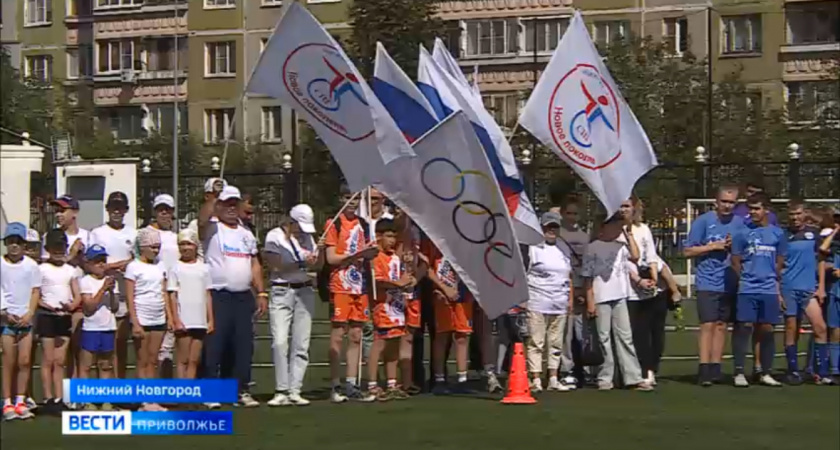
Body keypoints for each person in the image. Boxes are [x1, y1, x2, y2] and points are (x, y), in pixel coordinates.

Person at [198, 185, 266, 408]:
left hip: (242, 296)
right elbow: (201, 220)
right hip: (218, 295)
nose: (230, 208)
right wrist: (214, 197)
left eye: (234, 204)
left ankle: (239, 390)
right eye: (226, 204)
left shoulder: (246, 233)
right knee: (215, 345)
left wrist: (261, 291)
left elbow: (254, 263)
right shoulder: (212, 228)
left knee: (242, 345)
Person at [582, 213, 653, 392]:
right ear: (604, 227)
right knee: (604, 338)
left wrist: (628, 235)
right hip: (601, 297)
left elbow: (636, 256)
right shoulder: (592, 248)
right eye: (614, 226)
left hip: (620, 295)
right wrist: (590, 301)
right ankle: (605, 378)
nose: (617, 229)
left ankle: (633, 377)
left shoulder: (621, 246)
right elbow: (588, 278)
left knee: (625, 336)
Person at [684, 185, 745, 386]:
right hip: (707, 280)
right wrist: (712, 246)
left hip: (729, 280)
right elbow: (687, 251)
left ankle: (716, 367)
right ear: (716, 202)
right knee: (707, 324)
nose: (727, 206)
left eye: (731, 202)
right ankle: (704, 367)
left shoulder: (739, 223)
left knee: (722, 325)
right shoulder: (704, 221)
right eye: (724, 202)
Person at [264, 205, 324, 407]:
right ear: (291, 221)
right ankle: (281, 389)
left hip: (305, 290)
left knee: (301, 343)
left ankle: (295, 389)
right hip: (282, 290)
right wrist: (302, 263)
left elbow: (317, 265)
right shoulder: (274, 236)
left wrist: (319, 255)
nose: (303, 231)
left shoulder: (308, 238)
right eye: (300, 226)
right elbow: (275, 264)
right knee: (280, 342)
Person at [323, 186, 379, 403]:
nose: (352, 202)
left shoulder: (363, 224)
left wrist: (369, 253)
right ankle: (335, 383)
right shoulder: (334, 223)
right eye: (348, 198)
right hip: (340, 285)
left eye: (356, 198)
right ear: (340, 199)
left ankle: (352, 383)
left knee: (357, 334)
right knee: (338, 334)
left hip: (359, 285)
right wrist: (358, 253)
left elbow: (369, 252)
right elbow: (331, 258)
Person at [730, 193, 786, 388]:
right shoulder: (741, 233)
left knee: (767, 329)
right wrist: (745, 277)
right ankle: (738, 371)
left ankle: (765, 372)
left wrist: (771, 275)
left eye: (757, 208)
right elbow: (735, 260)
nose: (753, 212)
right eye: (750, 208)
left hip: (769, 289)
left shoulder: (777, 233)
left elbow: (780, 260)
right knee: (744, 326)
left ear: (766, 210)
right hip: (747, 288)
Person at [780, 200, 832, 385]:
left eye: (799, 214)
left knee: (820, 327)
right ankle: (793, 370)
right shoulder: (783, 235)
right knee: (792, 329)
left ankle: (822, 372)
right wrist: (778, 292)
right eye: (792, 215)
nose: (795, 218)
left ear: (805, 214)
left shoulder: (814, 234)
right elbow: (778, 265)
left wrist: (821, 287)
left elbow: (821, 260)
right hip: (789, 288)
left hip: (809, 288)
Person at [524, 212, 574, 392]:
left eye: (554, 227)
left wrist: (569, 299)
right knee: (536, 341)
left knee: (556, 342)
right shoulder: (533, 248)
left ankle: (553, 377)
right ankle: (535, 378)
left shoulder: (563, 248)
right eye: (548, 227)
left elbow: (568, 276)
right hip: (537, 300)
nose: (551, 230)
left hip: (559, 302)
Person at [89, 192, 136, 379]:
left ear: (126, 210)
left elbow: (138, 262)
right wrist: (117, 265)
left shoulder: (133, 233)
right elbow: (92, 265)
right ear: (107, 209)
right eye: (113, 207)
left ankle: (121, 385)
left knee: (122, 344)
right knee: (105, 347)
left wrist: (127, 265)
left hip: (124, 294)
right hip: (104, 295)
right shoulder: (97, 233)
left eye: (121, 207)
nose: (117, 211)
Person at [367, 218, 415, 401]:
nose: (392, 241)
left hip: (397, 306)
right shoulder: (376, 258)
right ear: (378, 237)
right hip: (383, 306)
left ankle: (392, 383)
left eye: (394, 237)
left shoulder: (395, 257)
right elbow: (378, 282)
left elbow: (401, 276)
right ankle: (372, 384)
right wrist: (398, 283)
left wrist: (407, 279)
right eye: (388, 236)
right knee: (379, 345)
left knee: (394, 344)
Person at [620, 197, 666, 386]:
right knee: (634, 333)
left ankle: (650, 370)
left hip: (647, 287)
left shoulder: (643, 229)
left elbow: (651, 255)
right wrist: (637, 279)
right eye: (621, 206)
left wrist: (653, 278)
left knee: (654, 332)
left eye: (627, 206)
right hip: (626, 288)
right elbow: (623, 261)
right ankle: (635, 371)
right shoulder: (614, 231)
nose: (624, 210)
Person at [125, 228, 170, 411]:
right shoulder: (133, 267)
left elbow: (164, 292)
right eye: (153, 246)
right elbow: (130, 297)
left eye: (158, 247)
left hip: (158, 316)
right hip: (142, 317)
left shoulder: (161, 266)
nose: (156, 250)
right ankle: (143, 400)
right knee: (142, 360)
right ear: (143, 247)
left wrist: (169, 316)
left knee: (153, 359)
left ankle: (152, 399)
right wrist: (134, 322)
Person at [37, 230, 82, 413]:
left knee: (60, 360)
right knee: (48, 359)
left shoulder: (70, 270)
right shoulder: (41, 269)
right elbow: (36, 295)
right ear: (48, 249)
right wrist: (47, 306)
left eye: (61, 247)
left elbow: (77, 295)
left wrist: (71, 306)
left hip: (64, 318)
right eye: (55, 247)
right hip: (47, 316)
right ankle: (48, 398)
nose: (58, 251)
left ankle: (60, 397)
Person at [1, 223, 40, 421]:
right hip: (6, 320)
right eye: (11, 242)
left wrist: (29, 313)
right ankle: (7, 402)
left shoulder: (31, 266)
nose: (14, 246)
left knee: (25, 361)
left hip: (25, 320)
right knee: (9, 361)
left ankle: (21, 400)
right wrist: (5, 313)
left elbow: (35, 290)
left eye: (18, 242)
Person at [425, 240, 474, 394]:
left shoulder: (464, 240)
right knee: (442, 335)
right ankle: (439, 379)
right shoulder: (435, 240)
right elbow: (427, 268)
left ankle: (462, 379)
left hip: (463, 292)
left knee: (462, 336)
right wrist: (443, 288)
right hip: (441, 292)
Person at [167, 229, 214, 380]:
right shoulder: (175, 268)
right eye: (182, 244)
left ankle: (191, 393)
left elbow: (207, 294)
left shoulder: (204, 268)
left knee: (194, 360)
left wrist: (210, 319)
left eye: (189, 244)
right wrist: (176, 319)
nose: (186, 248)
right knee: (183, 359)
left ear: (195, 246)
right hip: (184, 319)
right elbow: (172, 295)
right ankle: (182, 393)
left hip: (199, 320)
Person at [77, 245, 119, 411]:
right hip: (91, 328)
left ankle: (105, 399)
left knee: (105, 365)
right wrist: (103, 289)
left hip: (108, 326)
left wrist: (112, 291)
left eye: (103, 261)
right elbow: (89, 307)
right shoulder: (86, 281)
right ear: (89, 263)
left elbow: (114, 307)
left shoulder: (110, 281)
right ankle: (86, 400)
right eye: (97, 261)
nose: (101, 264)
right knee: (86, 365)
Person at [556, 197, 589, 389]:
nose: (572, 216)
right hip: (563, 288)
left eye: (575, 213)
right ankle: (566, 369)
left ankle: (584, 366)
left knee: (583, 331)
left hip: (581, 287)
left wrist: (583, 289)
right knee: (566, 333)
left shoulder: (585, 237)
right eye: (568, 212)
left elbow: (587, 265)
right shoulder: (558, 236)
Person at [146, 194, 179, 377]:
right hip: (155, 294)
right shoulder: (146, 234)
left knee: (171, 344)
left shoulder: (176, 237)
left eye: (168, 210)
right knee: (154, 348)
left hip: (175, 293)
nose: (164, 213)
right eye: (161, 210)